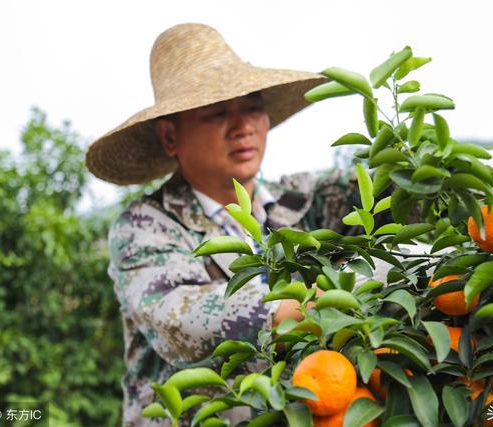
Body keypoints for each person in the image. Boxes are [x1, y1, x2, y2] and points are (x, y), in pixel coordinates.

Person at [86, 23, 362, 426]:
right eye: (217, 113)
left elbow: (388, 197)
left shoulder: (298, 202)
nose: (242, 126)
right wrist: (316, 301)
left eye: (252, 107)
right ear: (170, 137)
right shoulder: (145, 228)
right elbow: (183, 317)